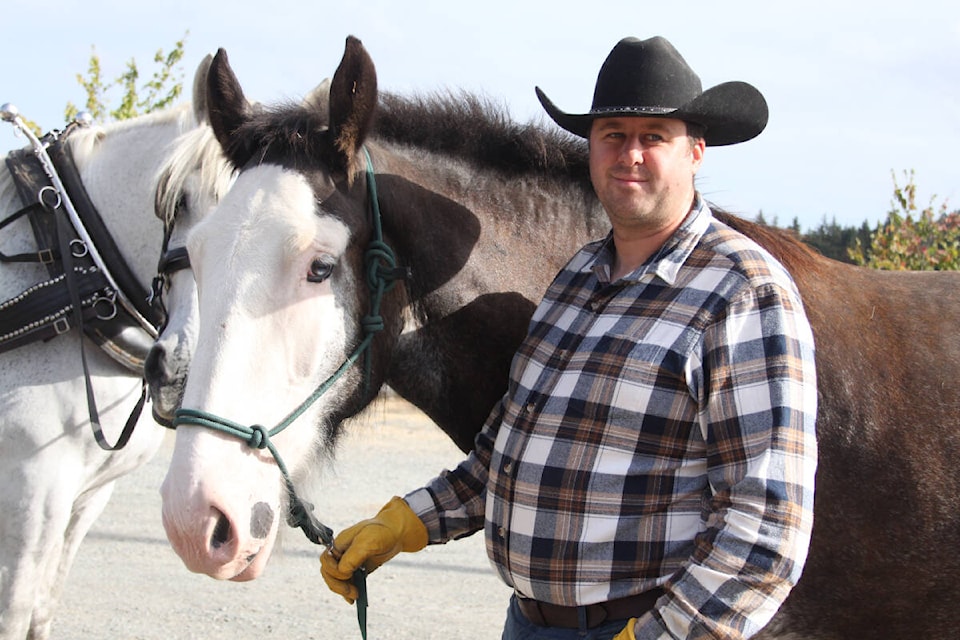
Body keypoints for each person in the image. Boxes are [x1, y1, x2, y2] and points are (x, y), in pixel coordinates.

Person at [320, 35, 818, 640]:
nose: (630, 153)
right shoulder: (577, 277)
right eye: (612, 134)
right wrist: (406, 523)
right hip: (527, 624)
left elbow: (766, 528)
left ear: (696, 152)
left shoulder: (742, 292)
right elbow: (510, 447)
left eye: (654, 136)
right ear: (590, 150)